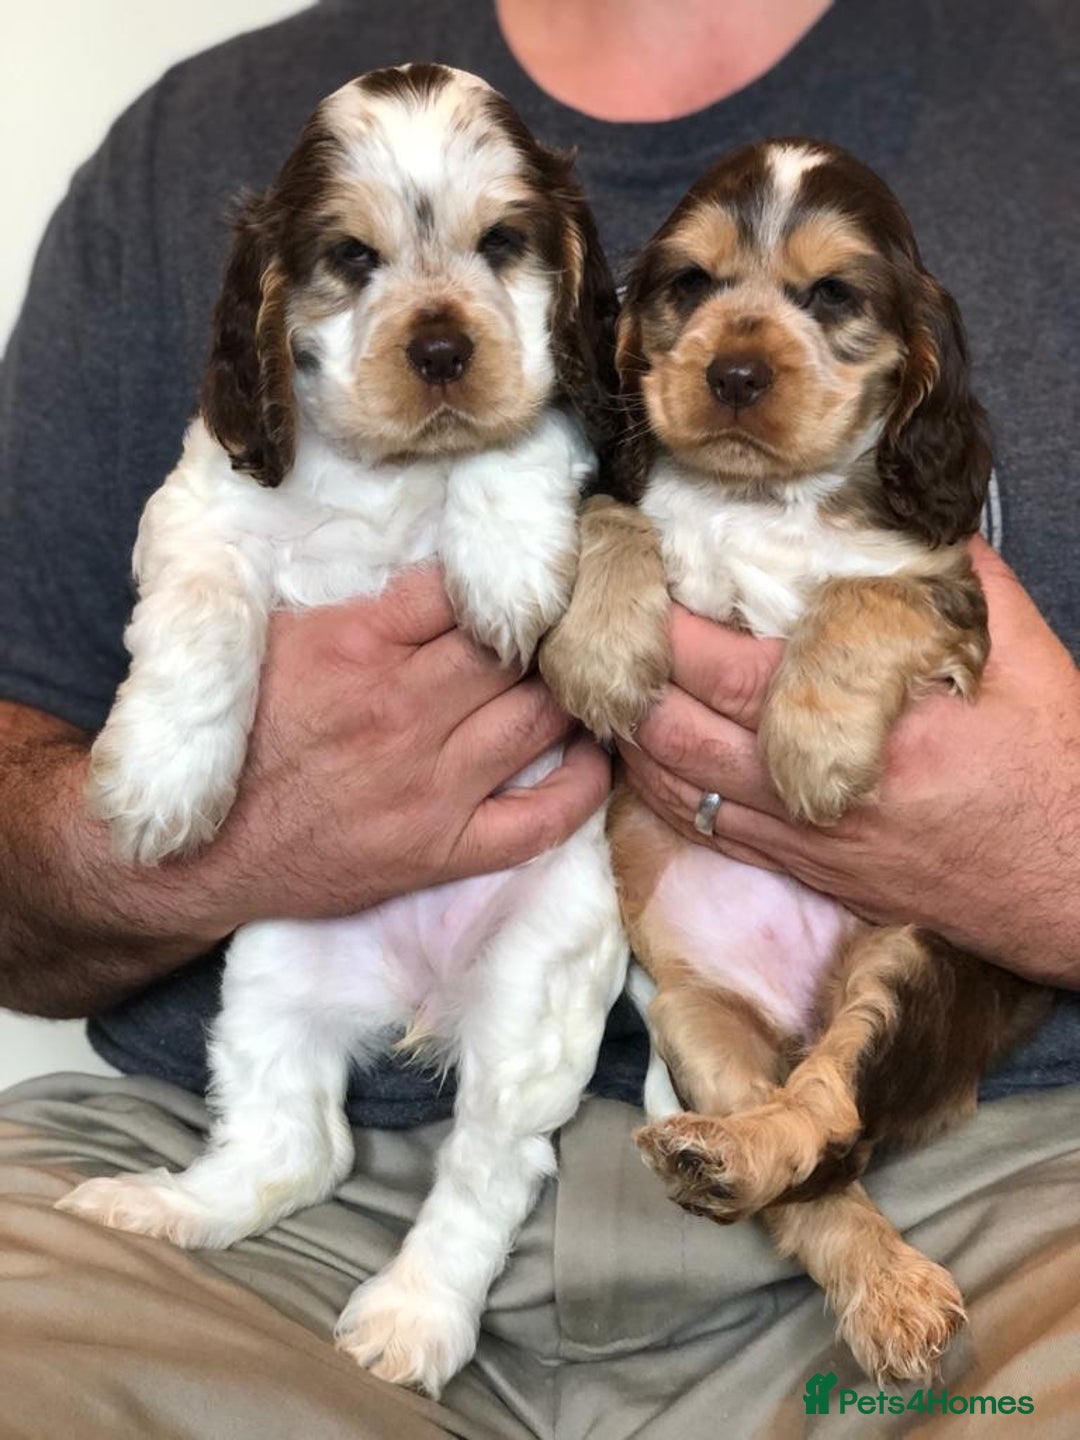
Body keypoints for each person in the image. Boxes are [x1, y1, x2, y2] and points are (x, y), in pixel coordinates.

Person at [0, 1, 1077, 1435]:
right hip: (255, 1183)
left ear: (562, 276)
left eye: (499, 247)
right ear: (629, 327)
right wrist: (225, 822)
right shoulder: (184, 146)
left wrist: (1057, 848)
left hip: (985, 1166)